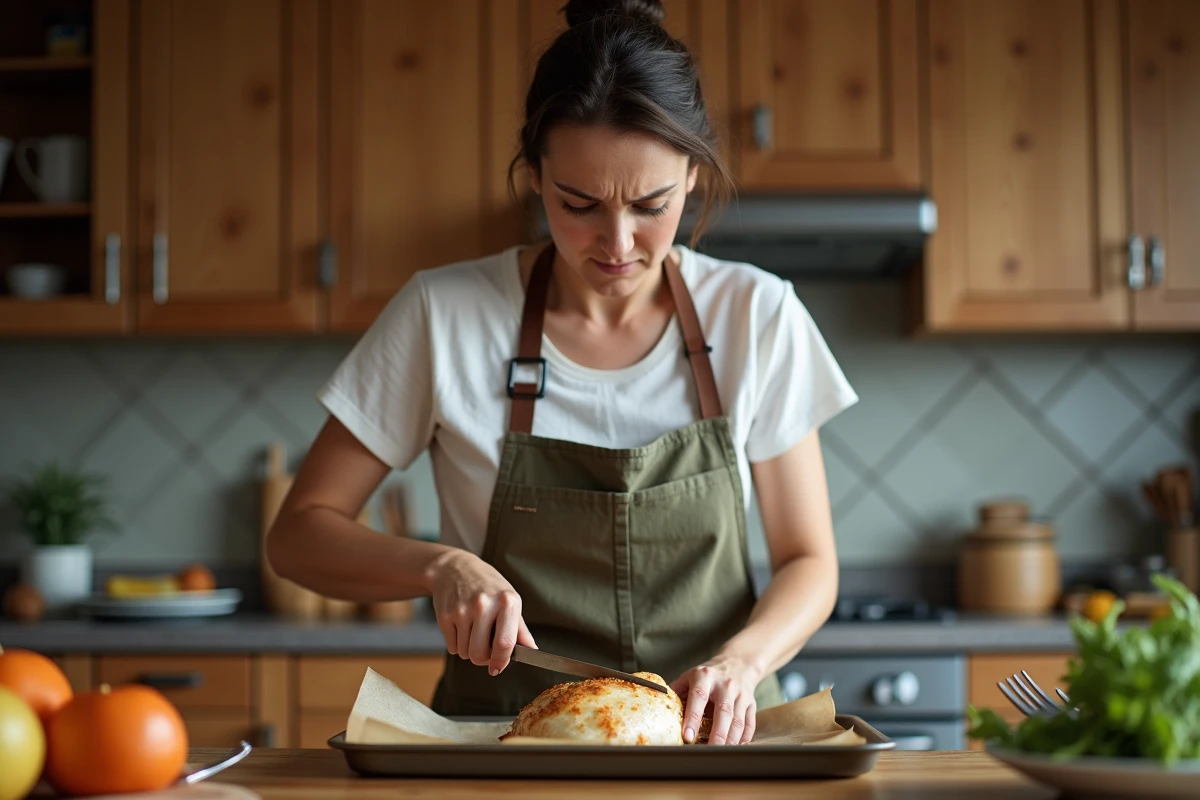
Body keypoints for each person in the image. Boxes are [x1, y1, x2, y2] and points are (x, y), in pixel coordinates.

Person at [266, 0, 858, 747]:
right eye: (578, 204)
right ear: (535, 176)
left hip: (716, 750)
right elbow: (297, 537)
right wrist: (440, 567)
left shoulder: (757, 315)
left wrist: (744, 660)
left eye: (651, 204)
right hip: (503, 745)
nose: (617, 243)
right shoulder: (442, 315)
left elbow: (810, 561)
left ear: (694, 176)